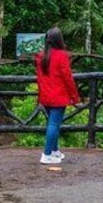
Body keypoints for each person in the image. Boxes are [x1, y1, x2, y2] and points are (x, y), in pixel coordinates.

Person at [34, 27, 80, 164]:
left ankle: (54, 151)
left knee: (52, 123)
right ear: (59, 39)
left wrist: (40, 95)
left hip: (46, 95)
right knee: (54, 124)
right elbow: (68, 78)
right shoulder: (61, 56)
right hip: (58, 96)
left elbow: (40, 78)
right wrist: (74, 96)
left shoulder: (40, 56)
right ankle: (46, 154)